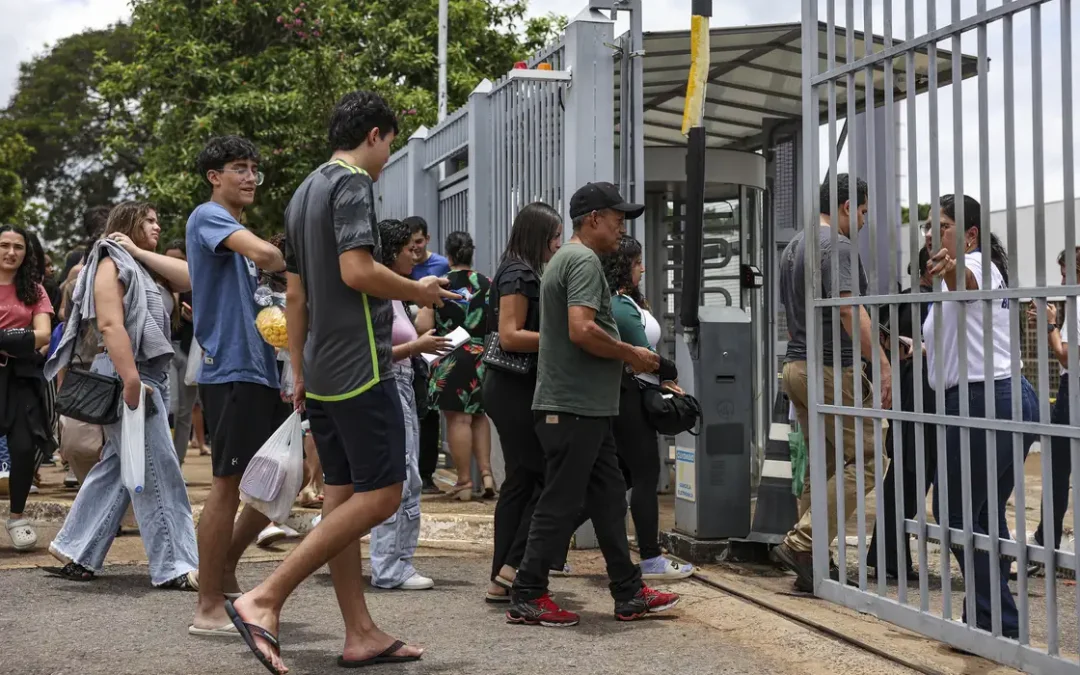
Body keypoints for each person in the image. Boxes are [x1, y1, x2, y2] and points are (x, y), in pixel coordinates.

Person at [227, 90, 455, 674]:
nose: (388, 156)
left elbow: (296, 293)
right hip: (364, 365)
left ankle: (360, 633)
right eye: (390, 143)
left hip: (324, 372)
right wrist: (420, 290)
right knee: (382, 495)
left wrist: (299, 370)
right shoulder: (352, 182)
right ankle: (265, 597)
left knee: (343, 502)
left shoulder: (304, 191)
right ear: (374, 135)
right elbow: (356, 270)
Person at [507, 181, 678, 628]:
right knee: (559, 502)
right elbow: (581, 330)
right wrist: (632, 354)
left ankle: (628, 591)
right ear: (593, 219)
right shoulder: (582, 260)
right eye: (617, 219)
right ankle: (527, 593)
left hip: (587, 409)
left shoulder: (568, 259)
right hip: (573, 407)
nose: (622, 228)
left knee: (607, 502)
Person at [44, 201, 199, 587]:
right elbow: (111, 324)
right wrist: (130, 380)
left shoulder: (141, 264)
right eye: (148, 220)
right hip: (128, 372)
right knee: (158, 470)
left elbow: (193, 277)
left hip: (147, 373)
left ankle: (78, 550)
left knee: (118, 468)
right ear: (127, 224)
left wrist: (139, 250)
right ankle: (176, 564)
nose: (157, 226)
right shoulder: (109, 262)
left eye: (158, 220)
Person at [186, 135, 292, 636]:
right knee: (226, 488)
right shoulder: (209, 217)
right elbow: (269, 256)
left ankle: (225, 570)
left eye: (254, 169)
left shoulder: (230, 228)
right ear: (215, 177)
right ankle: (207, 606)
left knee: (276, 482)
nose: (250, 177)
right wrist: (283, 257)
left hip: (258, 369)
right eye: (239, 168)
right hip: (229, 369)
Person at [770, 174, 892, 593]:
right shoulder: (836, 245)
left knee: (822, 464)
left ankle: (811, 559)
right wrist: (881, 360)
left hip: (797, 367)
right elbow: (845, 308)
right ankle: (802, 540)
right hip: (829, 369)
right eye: (861, 212)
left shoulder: (794, 247)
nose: (861, 221)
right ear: (844, 207)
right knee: (873, 455)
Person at [924, 193, 1037, 638]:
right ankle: (987, 620)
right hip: (1000, 397)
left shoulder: (978, 266)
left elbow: (967, 282)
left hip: (982, 401)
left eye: (944, 226)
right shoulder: (960, 278)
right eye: (930, 227)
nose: (933, 234)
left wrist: (952, 268)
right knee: (983, 515)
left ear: (970, 235)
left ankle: (998, 622)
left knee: (953, 512)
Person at [484, 203, 564, 601]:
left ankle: (504, 573)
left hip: (510, 386)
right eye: (554, 235)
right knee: (545, 475)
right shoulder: (518, 273)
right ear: (537, 235)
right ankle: (512, 567)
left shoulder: (518, 268)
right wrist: (562, 337)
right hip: (513, 387)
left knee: (520, 479)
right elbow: (511, 335)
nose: (558, 244)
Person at [601, 235, 692, 580]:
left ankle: (551, 547)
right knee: (645, 475)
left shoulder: (628, 301)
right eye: (638, 262)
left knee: (620, 476)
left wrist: (663, 378)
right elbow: (643, 356)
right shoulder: (621, 305)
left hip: (635, 393)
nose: (643, 267)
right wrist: (668, 371)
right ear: (625, 266)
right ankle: (651, 558)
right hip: (630, 399)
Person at [369, 217, 450, 590]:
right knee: (400, 476)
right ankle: (390, 565)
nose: (414, 253)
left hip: (402, 381)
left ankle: (399, 560)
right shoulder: (379, 294)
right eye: (406, 248)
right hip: (390, 383)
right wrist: (417, 347)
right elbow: (373, 353)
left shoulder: (396, 294)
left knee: (408, 475)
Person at [866, 244, 938, 580]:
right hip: (922, 395)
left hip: (906, 393)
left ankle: (886, 555)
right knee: (912, 475)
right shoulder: (927, 301)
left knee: (905, 474)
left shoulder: (903, 300)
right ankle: (889, 556)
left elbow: (885, 341)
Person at [416, 231, 494, 499]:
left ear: (448, 256)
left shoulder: (439, 284)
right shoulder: (487, 283)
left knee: (457, 419)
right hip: (480, 354)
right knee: (479, 416)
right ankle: (486, 475)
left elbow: (424, 326)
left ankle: (463, 481)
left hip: (450, 353)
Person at [1025, 246, 1080, 575]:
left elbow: (1067, 359)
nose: (1062, 278)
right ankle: (1048, 540)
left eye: (1066, 272)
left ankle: (1049, 545)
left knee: (1058, 470)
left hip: (1073, 392)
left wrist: (1049, 326)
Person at [0, 225, 55, 551]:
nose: (10, 252)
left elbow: (44, 335)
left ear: (26, 252)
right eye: (4, 245)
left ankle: (16, 516)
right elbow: (31, 337)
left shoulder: (34, 290)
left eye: (17, 247)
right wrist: (20, 339)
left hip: (21, 378)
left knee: (22, 448)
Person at [405, 216, 448, 495]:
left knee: (429, 410)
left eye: (419, 242)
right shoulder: (401, 267)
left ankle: (427, 473)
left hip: (431, 345)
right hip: (405, 344)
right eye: (410, 245)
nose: (415, 249)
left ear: (427, 239)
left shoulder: (441, 266)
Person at [162, 240, 200, 465]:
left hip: (188, 351)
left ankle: (178, 462)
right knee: (169, 409)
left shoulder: (195, 286)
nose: (174, 263)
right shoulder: (158, 287)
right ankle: (165, 462)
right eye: (170, 259)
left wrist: (194, 319)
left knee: (186, 411)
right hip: (166, 354)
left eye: (179, 259)